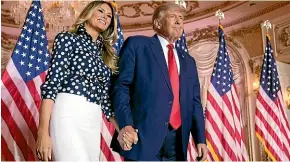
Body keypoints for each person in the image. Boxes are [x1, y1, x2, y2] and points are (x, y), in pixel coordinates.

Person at [111, 2, 208, 161]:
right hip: (142, 138)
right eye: (172, 17)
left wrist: (200, 139)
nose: (178, 22)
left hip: (177, 142)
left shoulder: (188, 61)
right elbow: (120, 87)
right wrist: (126, 125)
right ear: (157, 23)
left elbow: (195, 102)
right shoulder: (137, 45)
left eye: (181, 18)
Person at [35, 1, 120, 161]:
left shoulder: (106, 53)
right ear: (89, 12)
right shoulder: (67, 39)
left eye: (109, 16)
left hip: (93, 118)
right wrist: (42, 132)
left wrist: (121, 129)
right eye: (100, 11)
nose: (105, 17)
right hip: (68, 111)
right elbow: (51, 85)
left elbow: (105, 100)